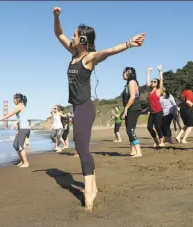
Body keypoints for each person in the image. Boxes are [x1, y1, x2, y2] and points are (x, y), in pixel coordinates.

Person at [53, 6, 145, 211]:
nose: (72, 36)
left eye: (75, 35)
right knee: (80, 146)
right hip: (77, 108)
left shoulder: (89, 57)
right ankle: (92, 185)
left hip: (85, 107)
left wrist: (130, 43)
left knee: (81, 147)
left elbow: (109, 51)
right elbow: (58, 33)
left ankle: (89, 191)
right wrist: (56, 16)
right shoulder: (73, 53)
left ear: (83, 41)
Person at [0, 93, 30, 167]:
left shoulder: (19, 106)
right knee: (15, 145)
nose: (13, 101)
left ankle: (26, 163)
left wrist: (0, 119)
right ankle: (22, 161)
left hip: (24, 128)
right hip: (22, 128)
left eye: (14, 99)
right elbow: (21, 118)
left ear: (18, 99)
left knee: (20, 146)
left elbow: (10, 114)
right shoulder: (20, 106)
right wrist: (16, 124)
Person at [121, 67, 142, 157]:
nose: (122, 74)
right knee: (128, 129)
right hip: (131, 108)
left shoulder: (132, 82)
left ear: (129, 73)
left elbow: (133, 97)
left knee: (130, 130)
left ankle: (139, 151)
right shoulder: (128, 83)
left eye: (124, 72)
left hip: (133, 108)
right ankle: (133, 150)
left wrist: (125, 108)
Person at [146, 65, 165, 147]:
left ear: (157, 84)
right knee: (149, 127)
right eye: (152, 81)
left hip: (158, 111)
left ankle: (161, 142)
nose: (152, 82)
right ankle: (156, 141)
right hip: (152, 112)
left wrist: (160, 71)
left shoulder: (158, 91)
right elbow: (147, 82)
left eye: (154, 81)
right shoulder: (150, 91)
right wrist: (148, 72)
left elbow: (161, 80)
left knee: (157, 126)